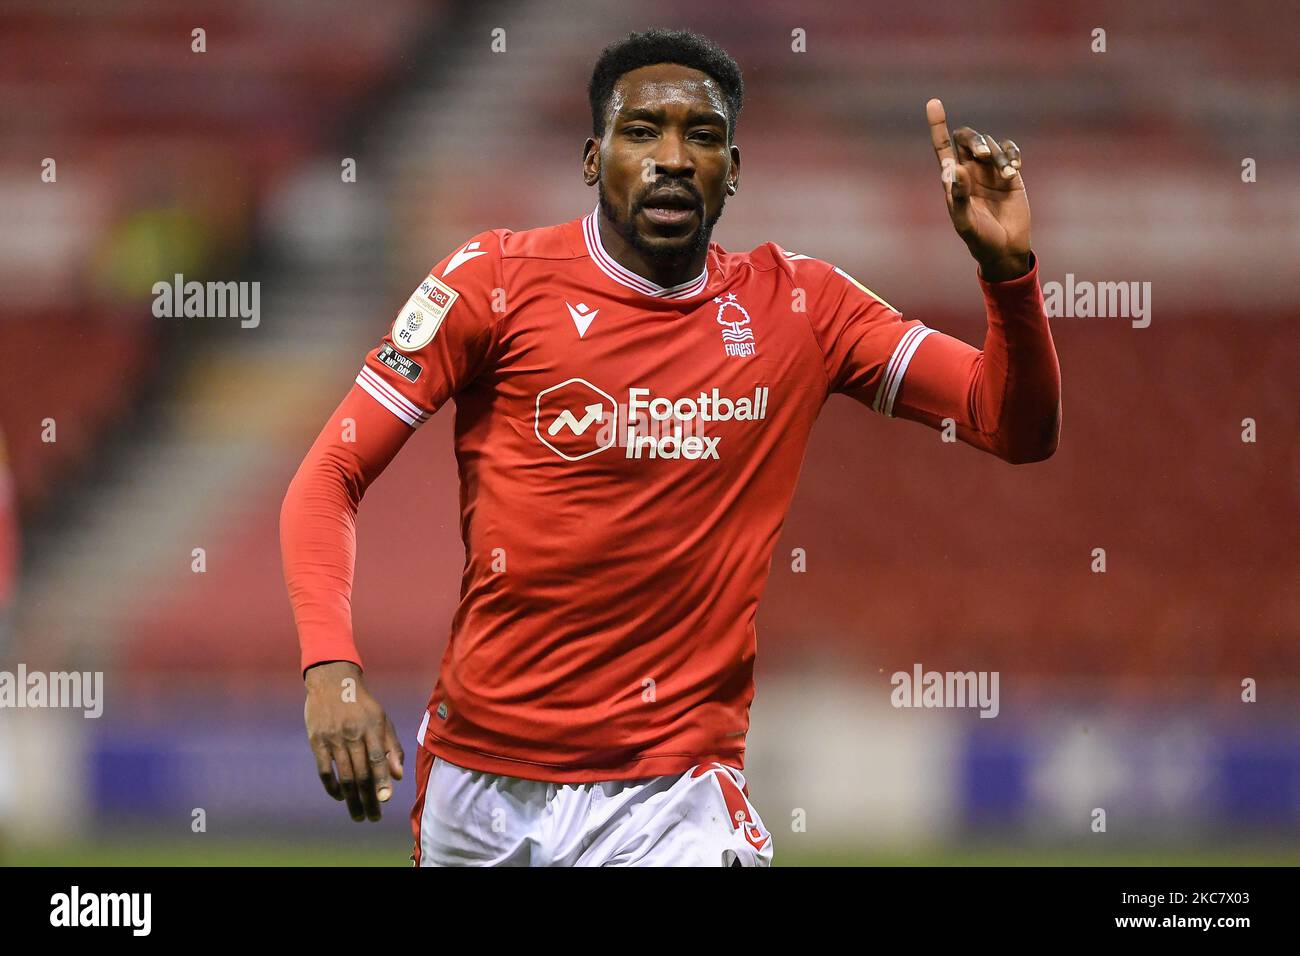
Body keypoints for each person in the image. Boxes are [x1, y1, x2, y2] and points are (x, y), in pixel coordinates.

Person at [280, 28, 1060, 867]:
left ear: (734, 168)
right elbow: (329, 474)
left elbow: (1011, 426)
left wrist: (1008, 274)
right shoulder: (492, 284)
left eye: (704, 135)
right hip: (482, 790)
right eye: (642, 131)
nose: (674, 157)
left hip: (674, 796)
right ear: (593, 159)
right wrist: (331, 668)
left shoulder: (803, 307)